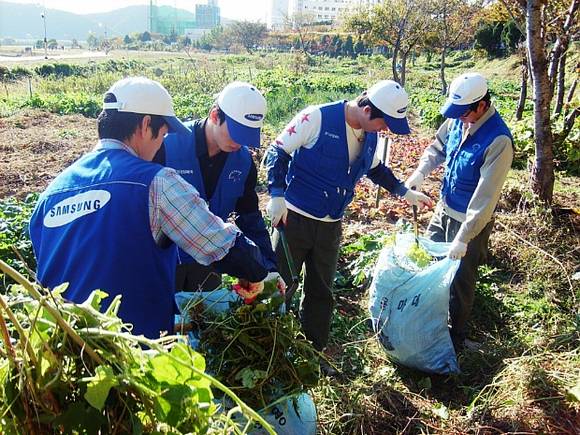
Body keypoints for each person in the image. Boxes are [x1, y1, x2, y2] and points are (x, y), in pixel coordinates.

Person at [29, 77, 269, 339]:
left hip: (63, 345)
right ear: (146, 125)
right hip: (129, 345)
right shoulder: (155, 182)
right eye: (163, 134)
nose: (160, 145)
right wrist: (256, 271)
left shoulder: (51, 193)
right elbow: (220, 244)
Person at [264, 80, 432, 355]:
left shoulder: (371, 135)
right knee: (280, 285)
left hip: (331, 224)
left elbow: (375, 169)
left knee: (321, 290)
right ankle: (269, 343)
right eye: (385, 123)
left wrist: (404, 192)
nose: (385, 129)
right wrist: (276, 195)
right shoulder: (316, 117)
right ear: (368, 111)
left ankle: (313, 349)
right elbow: (278, 151)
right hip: (294, 219)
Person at [405, 72, 513, 350]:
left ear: (481, 105)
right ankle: (428, 319)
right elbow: (438, 148)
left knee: (461, 280)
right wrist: (421, 171)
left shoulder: (498, 140)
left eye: (464, 113)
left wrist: (464, 238)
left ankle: (456, 337)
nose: (459, 117)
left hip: (470, 223)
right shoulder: (458, 119)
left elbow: (484, 198)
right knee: (428, 261)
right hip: (444, 209)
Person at [153, 81, 280, 292]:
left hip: (211, 261)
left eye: (246, 136)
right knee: (164, 321)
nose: (239, 143)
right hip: (165, 259)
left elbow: (249, 216)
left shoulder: (244, 163)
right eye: (236, 133)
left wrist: (268, 265)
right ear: (215, 116)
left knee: (203, 317)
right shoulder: (167, 146)